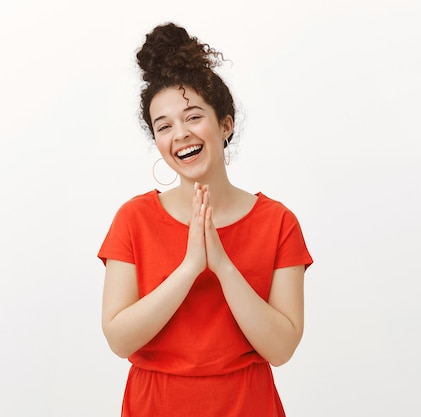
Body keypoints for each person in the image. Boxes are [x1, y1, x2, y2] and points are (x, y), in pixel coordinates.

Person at [97, 22, 313, 417]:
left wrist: (224, 266)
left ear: (225, 124)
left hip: (247, 404)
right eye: (164, 126)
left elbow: (281, 349)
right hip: (155, 405)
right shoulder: (133, 219)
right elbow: (119, 339)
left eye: (193, 117)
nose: (180, 133)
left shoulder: (279, 223)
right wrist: (190, 267)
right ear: (158, 141)